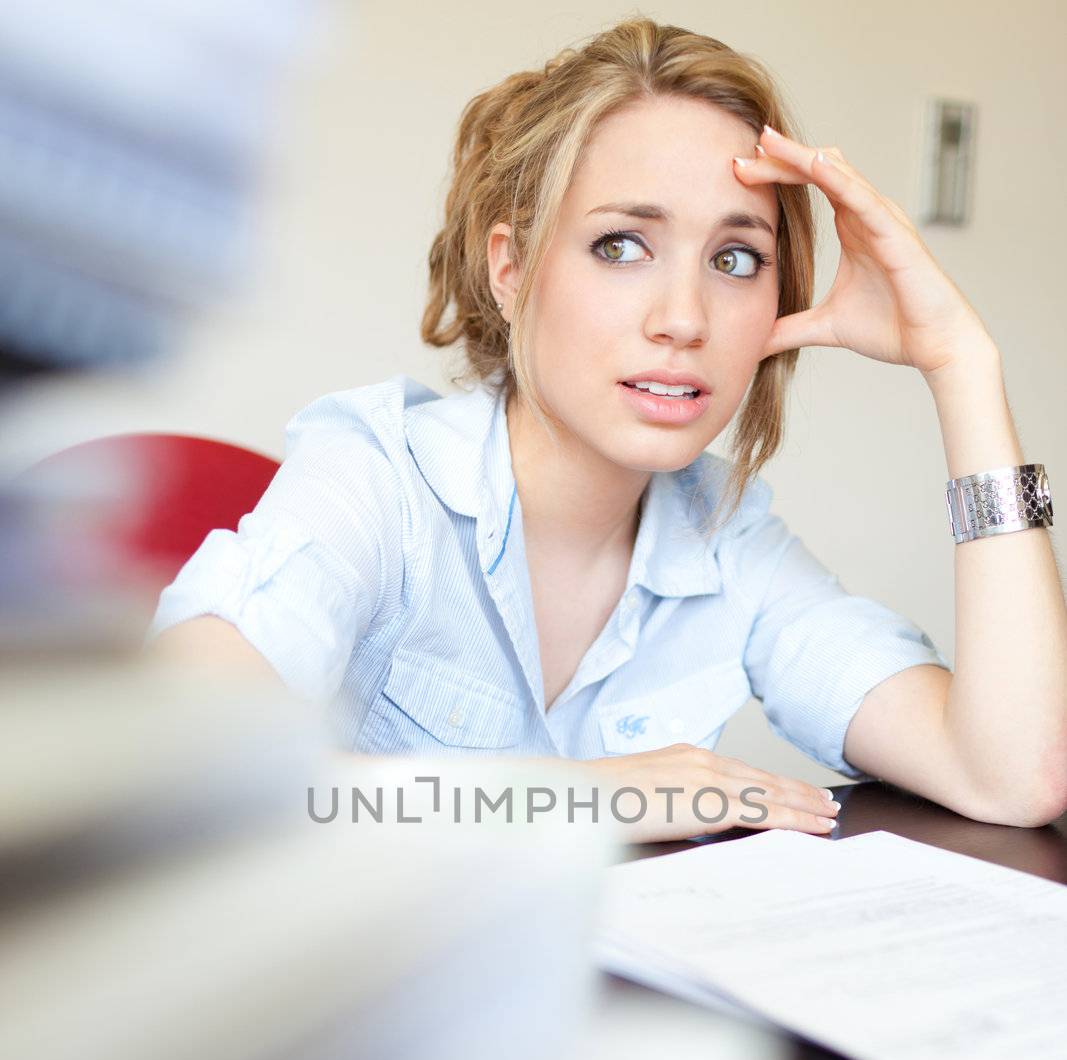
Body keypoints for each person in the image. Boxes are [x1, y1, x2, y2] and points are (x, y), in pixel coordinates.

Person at [147, 18, 1067, 842]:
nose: (684, 317)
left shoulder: (727, 541)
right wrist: (582, 796)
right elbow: (176, 771)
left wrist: (960, 367)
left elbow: (1011, 776)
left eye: (736, 258)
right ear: (510, 271)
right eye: (620, 246)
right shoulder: (374, 474)